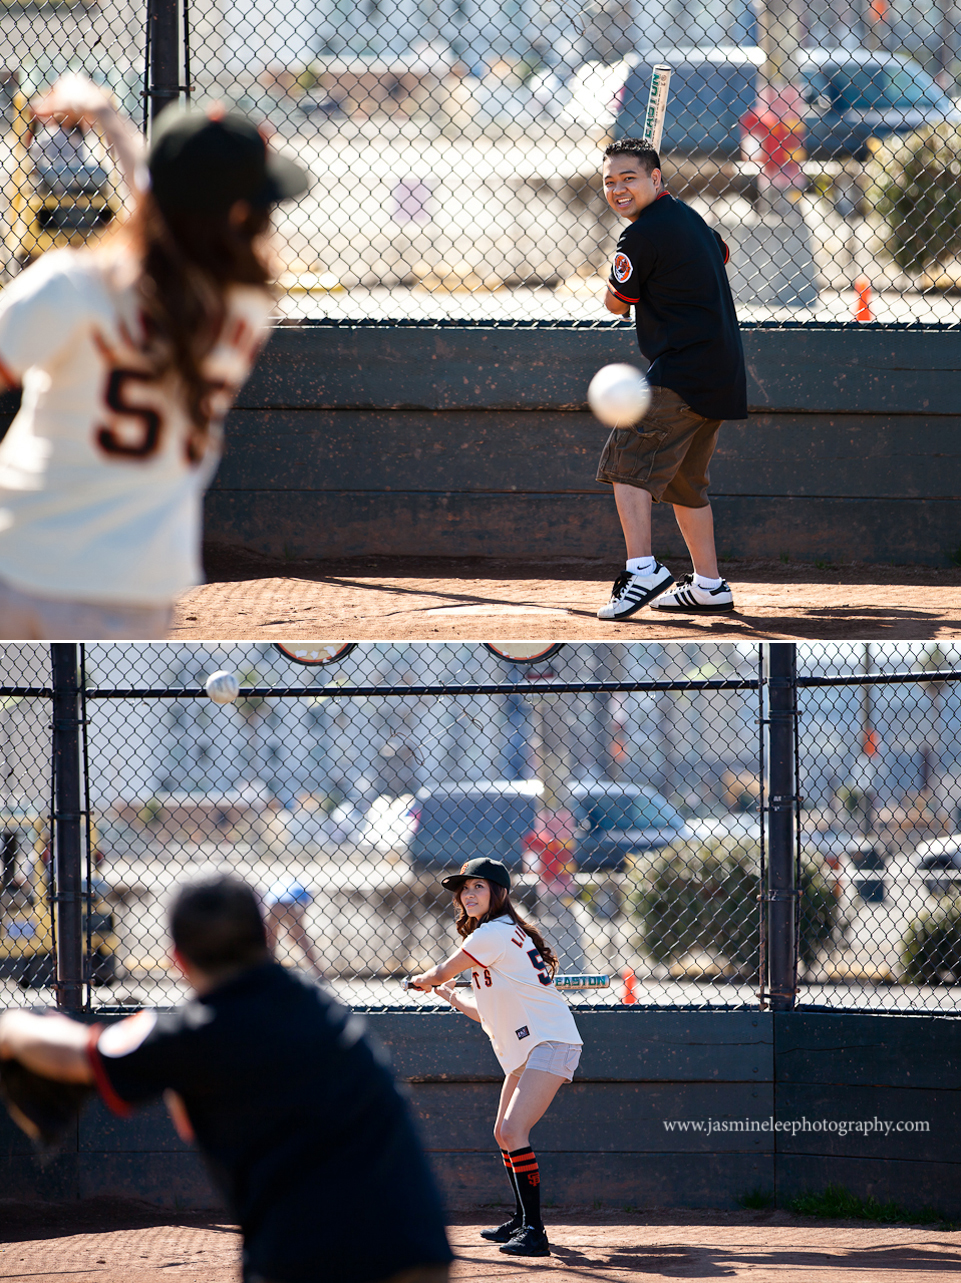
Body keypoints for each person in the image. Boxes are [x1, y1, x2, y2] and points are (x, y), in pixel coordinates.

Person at [0, 875, 453, 1283]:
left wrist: (12, 1027)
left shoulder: (200, 1032)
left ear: (177, 958)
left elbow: (74, 1053)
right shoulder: (311, 1001)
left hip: (312, 1257)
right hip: (417, 1243)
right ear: (264, 937)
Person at [0, 74, 308, 640]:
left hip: (21, 564)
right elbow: (167, 205)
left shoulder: (72, 285)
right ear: (240, 215)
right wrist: (110, 120)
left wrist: (106, 115)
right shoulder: (246, 306)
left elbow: (161, 203)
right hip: (139, 589)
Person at [594, 137, 747, 621]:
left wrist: (627, 264)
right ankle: (709, 585)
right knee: (685, 485)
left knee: (625, 462)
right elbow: (720, 255)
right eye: (609, 181)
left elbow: (617, 303)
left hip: (683, 370)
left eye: (629, 178)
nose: (617, 189)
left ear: (655, 178)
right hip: (721, 371)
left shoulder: (638, 236)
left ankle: (642, 570)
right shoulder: (687, 216)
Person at [410, 857, 582, 1259]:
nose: (468, 894)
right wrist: (450, 995)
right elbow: (484, 1011)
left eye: (478, 887)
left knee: (512, 1130)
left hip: (550, 1041)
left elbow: (441, 969)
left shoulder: (493, 933)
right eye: (464, 889)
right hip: (531, 1045)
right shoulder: (498, 935)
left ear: (499, 894)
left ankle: (535, 1233)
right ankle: (523, 1219)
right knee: (502, 1132)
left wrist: (426, 980)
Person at [263, 874, 325, 979]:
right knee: (303, 940)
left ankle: (267, 971)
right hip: (288, 906)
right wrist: (293, 933)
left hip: (272, 907)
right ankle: (319, 973)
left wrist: (287, 932)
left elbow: (267, 901)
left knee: (271, 942)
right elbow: (301, 916)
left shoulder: (279, 883)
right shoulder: (306, 891)